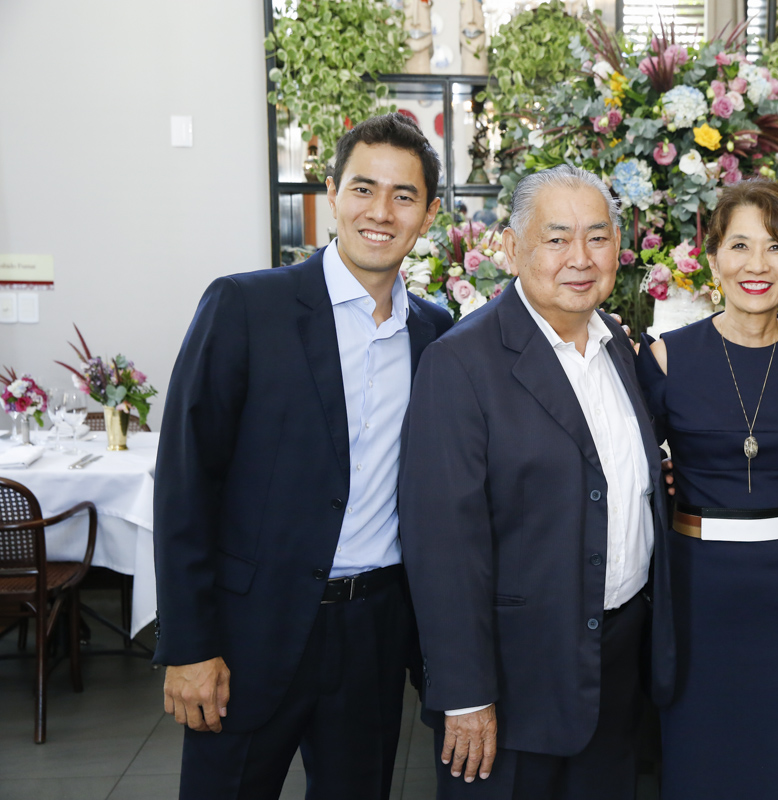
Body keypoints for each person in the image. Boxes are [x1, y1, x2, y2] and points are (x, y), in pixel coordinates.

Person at [153, 112, 452, 799]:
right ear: (331, 194)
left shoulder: (434, 332)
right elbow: (185, 484)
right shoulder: (245, 308)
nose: (381, 212)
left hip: (374, 630)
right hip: (249, 631)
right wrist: (190, 645)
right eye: (363, 189)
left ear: (428, 214)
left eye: (403, 196)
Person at [398, 164, 674, 800]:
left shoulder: (619, 350)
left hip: (614, 670)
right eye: (556, 238)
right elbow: (442, 544)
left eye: (597, 236)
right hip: (513, 685)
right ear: (513, 247)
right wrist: (466, 694)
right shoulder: (462, 363)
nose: (579, 258)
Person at [635, 179, 778, 800]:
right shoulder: (666, 357)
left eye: (776, 248)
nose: (756, 265)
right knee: (698, 757)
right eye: (740, 246)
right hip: (697, 589)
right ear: (712, 256)